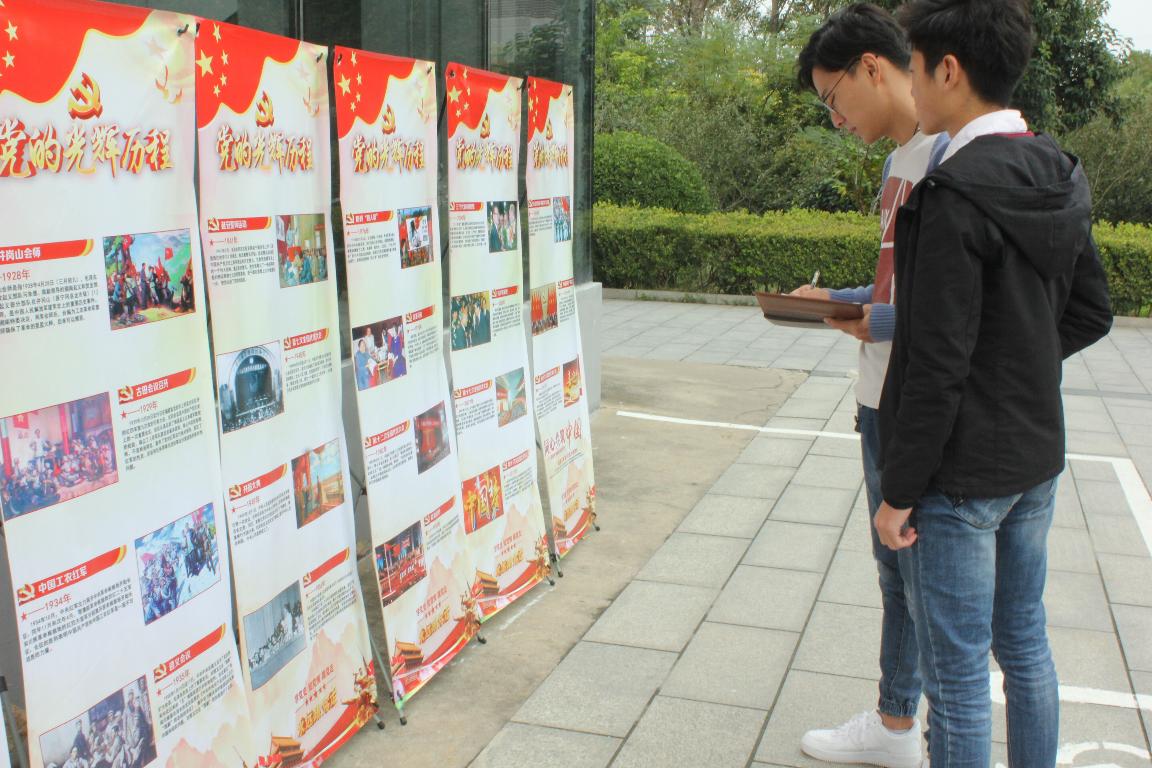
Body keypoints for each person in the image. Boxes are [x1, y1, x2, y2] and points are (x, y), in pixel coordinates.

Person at [874, 1, 1113, 765]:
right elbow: (1092, 311)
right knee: (1026, 644)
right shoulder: (1059, 169)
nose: (912, 85)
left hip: (960, 477)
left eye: (915, 68)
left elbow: (935, 362)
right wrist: (1019, 372)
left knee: (957, 680)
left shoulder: (950, 192)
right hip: (1034, 459)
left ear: (949, 70)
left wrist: (898, 492)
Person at [790, 6, 948, 766]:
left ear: (873, 67)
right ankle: (895, 724)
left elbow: (949, 309)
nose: (835, 118)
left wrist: (873, 320)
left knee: (925, 580)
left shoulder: (952, 156)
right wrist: (838, 300)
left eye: (833, 98)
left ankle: (910, 728)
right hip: (877, 398)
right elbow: (895, 288)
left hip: (919, 401)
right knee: (895, 576)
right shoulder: (898, 165)